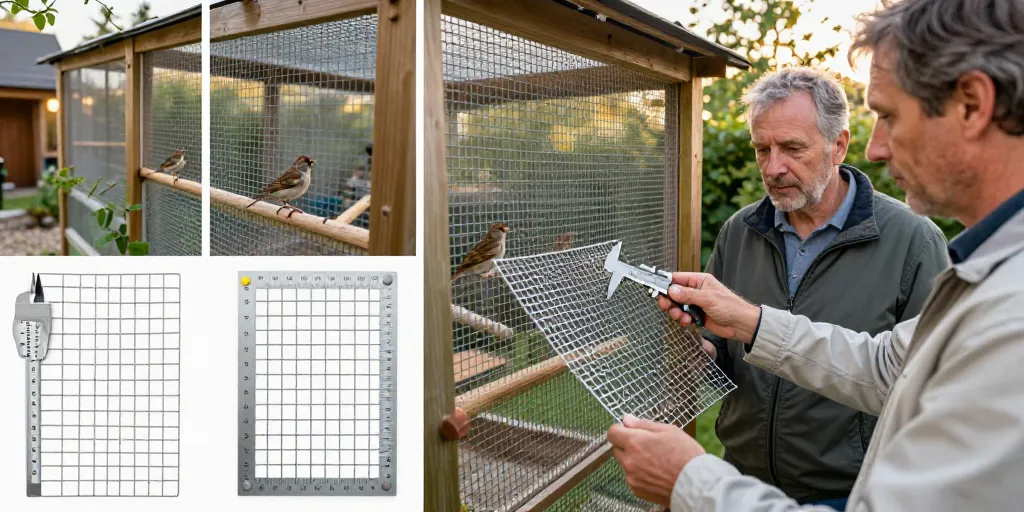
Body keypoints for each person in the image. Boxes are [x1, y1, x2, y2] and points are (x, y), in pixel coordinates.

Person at [607, 0, 1024, 510]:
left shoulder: (988, 288)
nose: (879, 148)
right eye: (763, 150)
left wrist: (689, 481)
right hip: (750, 468)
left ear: (972, 104)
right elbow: (887, 366)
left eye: (889, 115)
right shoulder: (990, 267)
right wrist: (742, 325)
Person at [699, 67, 948, 510]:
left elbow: (926, 387)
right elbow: (720, 348)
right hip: (739, 478)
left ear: (839, 145)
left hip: (851, 494)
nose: (774, 167)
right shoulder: (738, 232)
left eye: (792, 148)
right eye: (762, 149)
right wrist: (701, 351)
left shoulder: (914, 241)